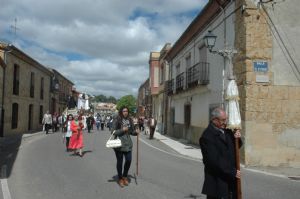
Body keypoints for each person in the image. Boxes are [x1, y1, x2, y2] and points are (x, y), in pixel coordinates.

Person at [199, 107, 242, 199]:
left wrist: (237, 138)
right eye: (223, 120)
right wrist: (232, 171)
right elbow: (214, 160)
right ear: (214, 120)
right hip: (217, 182)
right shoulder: (207, 136)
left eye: (226, 119)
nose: (225, 122)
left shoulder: (228, 130)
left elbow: (236, 147)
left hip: (230, 180)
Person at [111, 106, 139, 187]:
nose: (125, 112)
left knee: (128, 160)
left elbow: (131, 132)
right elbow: (113, 132)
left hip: (128, 144)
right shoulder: (117, 119)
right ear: (121, 112)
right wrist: (122, 130)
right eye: (124, 111)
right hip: (119, 144)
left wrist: (136, 132)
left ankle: (125, 176)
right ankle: (120, 178)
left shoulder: (130, 120)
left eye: (126, 111)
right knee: (120, 162)